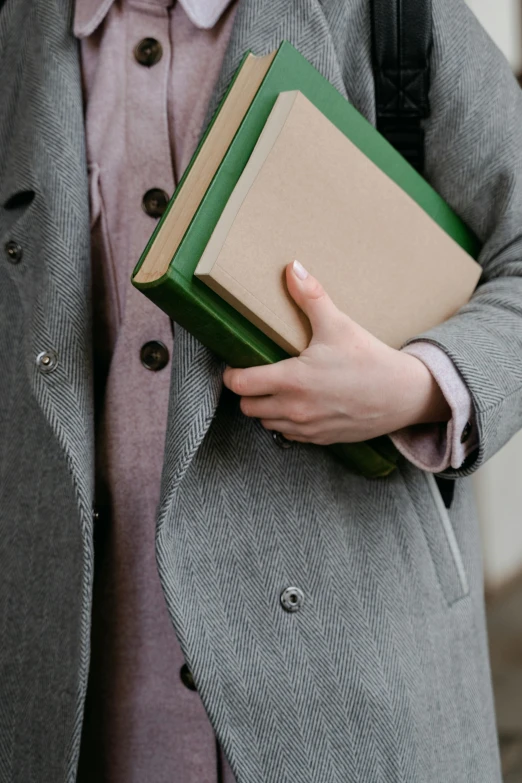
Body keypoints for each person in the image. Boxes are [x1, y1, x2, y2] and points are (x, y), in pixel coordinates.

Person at [0, 0, 520, 780]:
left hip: (354, 693)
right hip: (81, 699)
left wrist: (414, 386)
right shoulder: (19, 32)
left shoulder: (391, 12)